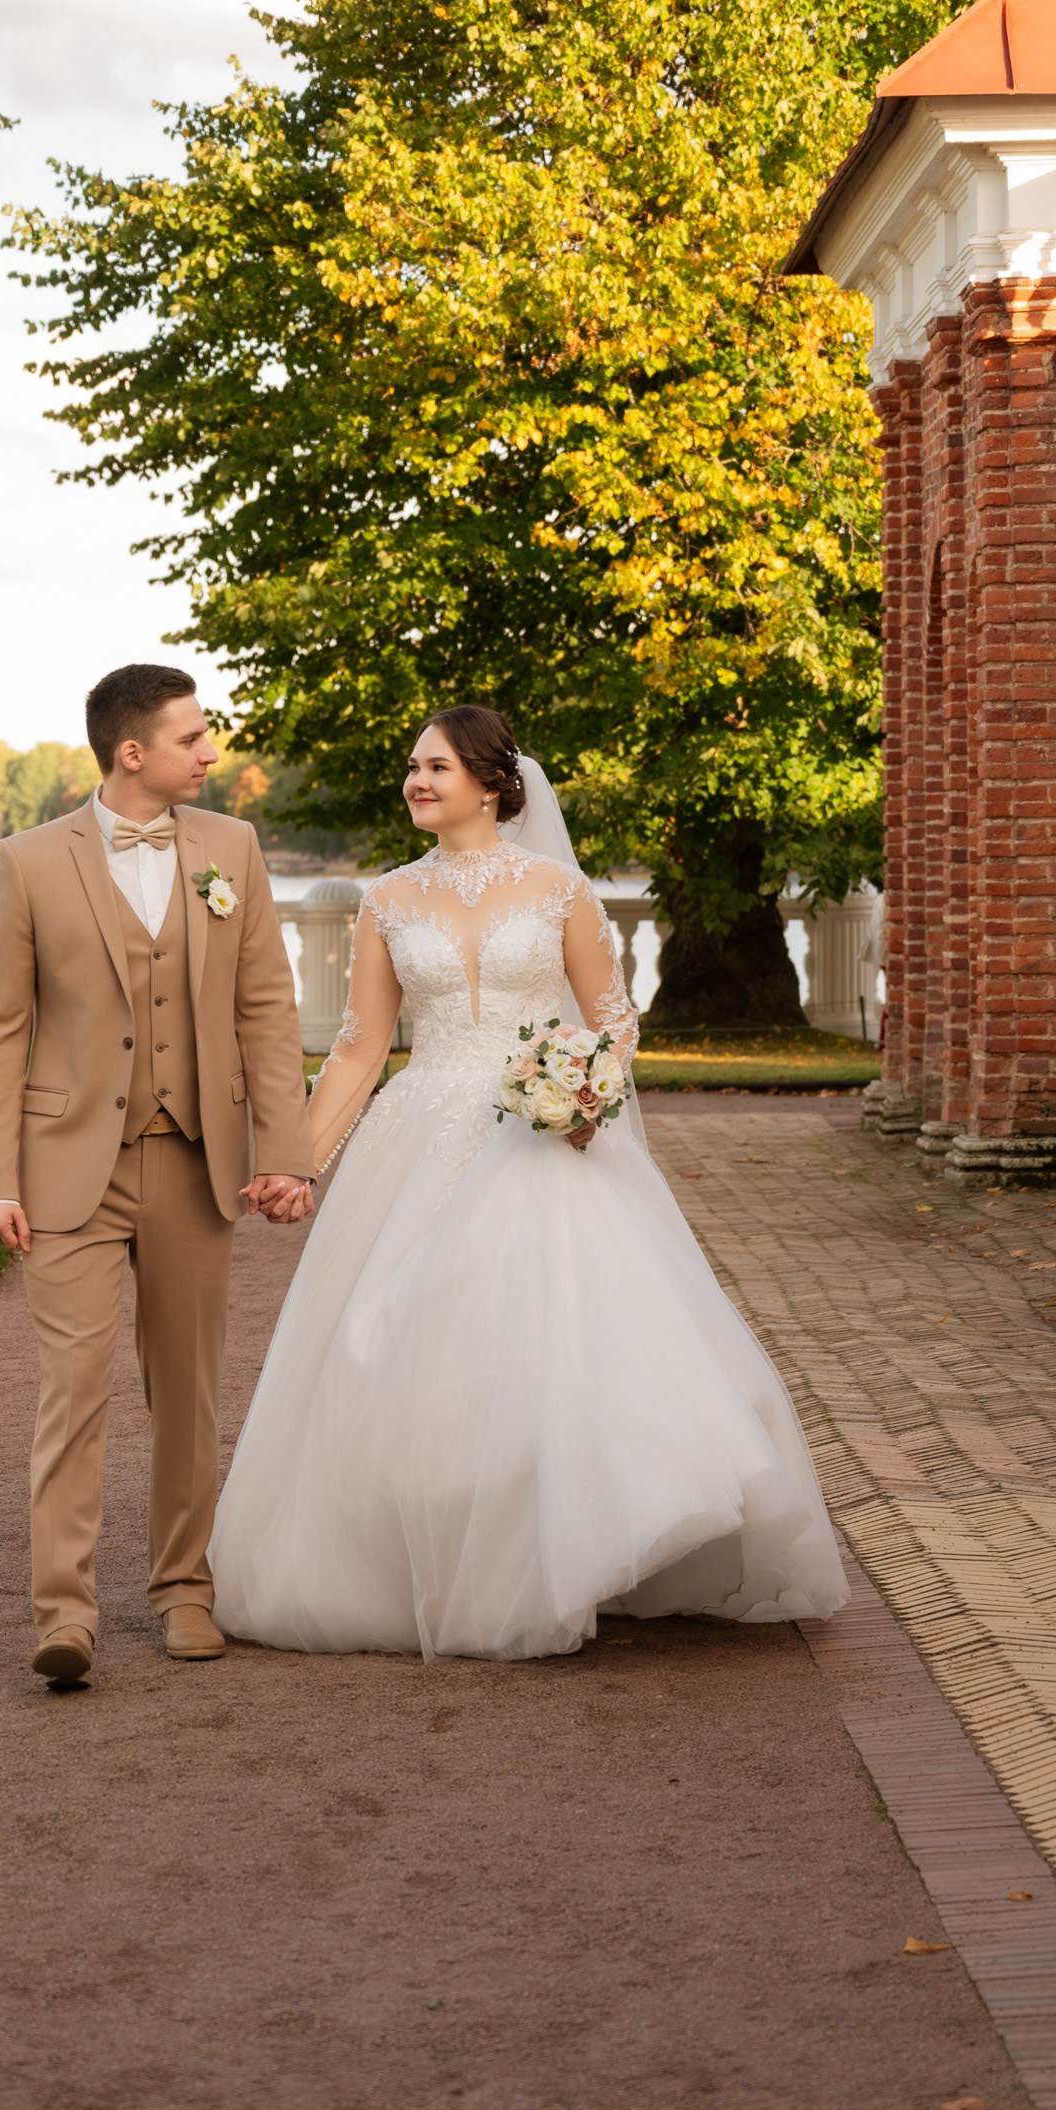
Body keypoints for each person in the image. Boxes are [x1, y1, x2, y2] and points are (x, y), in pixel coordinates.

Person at [209, 705, 848, 1660]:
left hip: (540, 1135)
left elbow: (612, 1016)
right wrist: (298, 1162)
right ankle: (440, 1553)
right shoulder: (387, 900)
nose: (416, 782)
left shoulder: (558, 890)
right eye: (412, 768)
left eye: (434, 767)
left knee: (557, 1341)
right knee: (401, 1336)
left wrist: (583, 1090)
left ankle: (582, 1545)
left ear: (492, 783)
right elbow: (359, 1049)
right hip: (421, 1132)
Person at [0, 664, 314, 1689]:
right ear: (132, 752)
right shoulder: (27, 863)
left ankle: (182, 1589)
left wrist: (283, 1152)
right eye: (193, 737)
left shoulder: (229, 850)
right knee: (71, 1390)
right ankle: (63, 1611)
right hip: (64, 1165)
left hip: (194, 1159)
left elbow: (266, 1009)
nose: (210, 753)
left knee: (187, 1390)